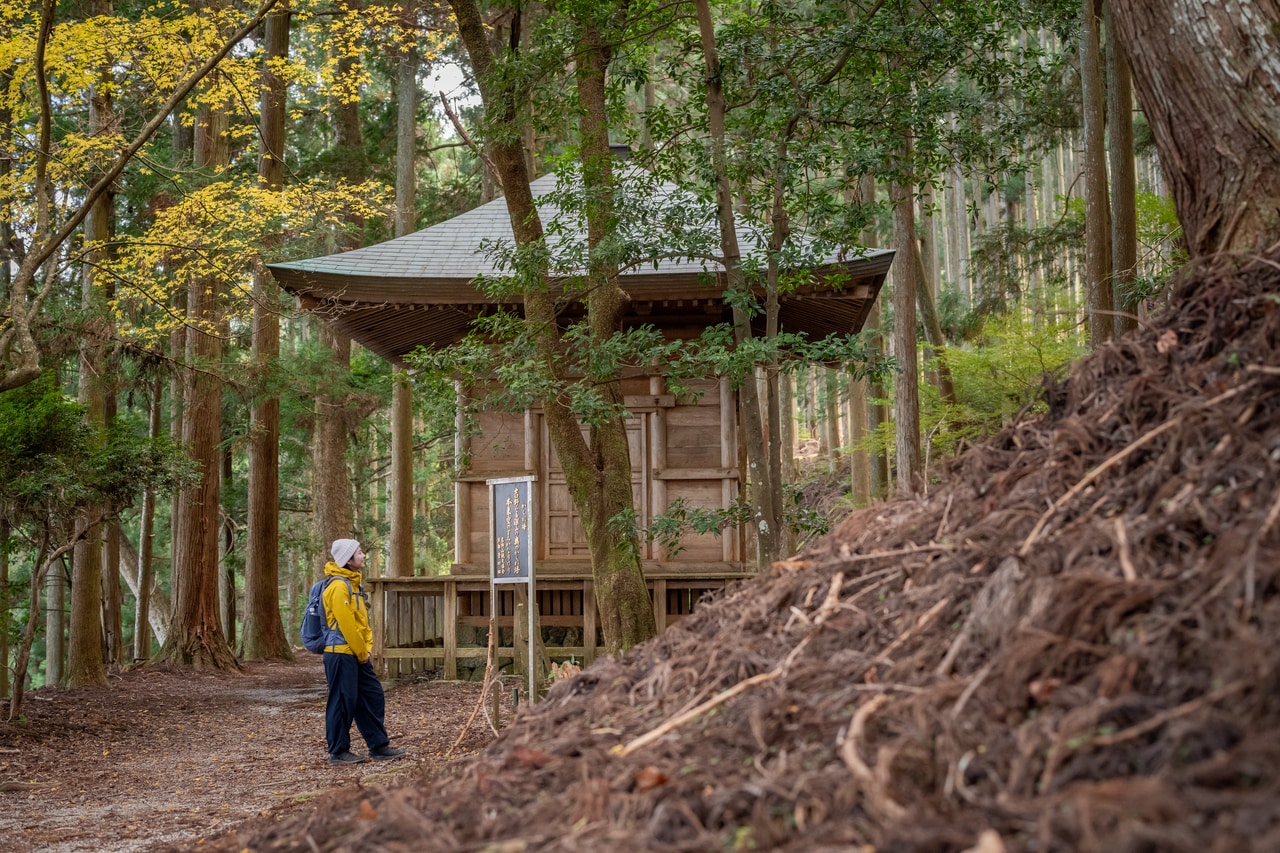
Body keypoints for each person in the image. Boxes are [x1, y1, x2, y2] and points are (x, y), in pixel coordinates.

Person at [320, 538, 406, 766]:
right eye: (359, 552)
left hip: (356, 653)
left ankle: (378, 745)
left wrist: (364, 649)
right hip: (340, 653)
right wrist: (361, 652)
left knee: (371, 696)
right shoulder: (338, 586)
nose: (363, 555)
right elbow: (346, 624)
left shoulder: (353, 584)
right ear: (348, 559)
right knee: (342, 701)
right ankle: (338, 751)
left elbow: (360, 622)